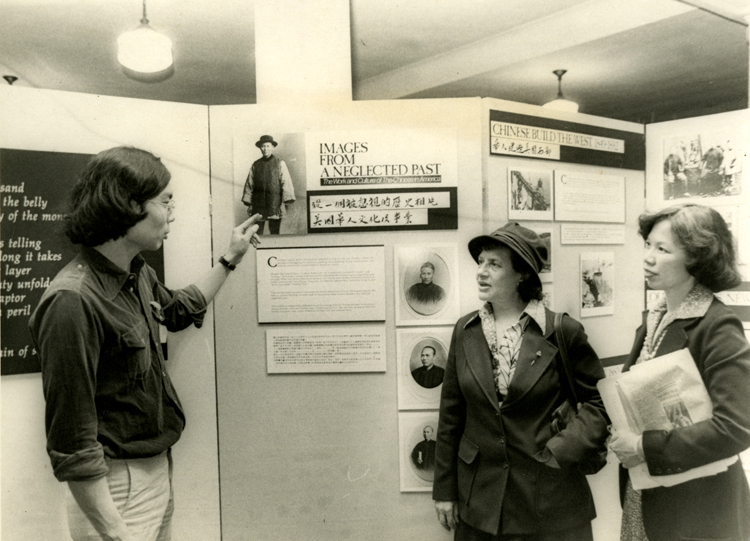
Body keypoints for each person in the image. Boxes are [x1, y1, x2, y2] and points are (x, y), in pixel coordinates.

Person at [28, 147, 262, 541]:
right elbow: (72, 440)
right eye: (166, 201)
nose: (171, 213)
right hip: (114, 488)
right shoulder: (72, 300)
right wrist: (114, 530)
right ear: (129, 204)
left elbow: (179, 309)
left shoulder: (136, 272)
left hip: (152, 469)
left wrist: (230, 258)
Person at [432, 222, 609, 541]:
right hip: (483, 506)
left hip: (551, 503)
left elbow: (601, 403)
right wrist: (444, 490)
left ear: (522, 274)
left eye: (494, 264)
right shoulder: (466, 332)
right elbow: (450, 418)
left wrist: (561, 450)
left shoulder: (561, 332)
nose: (481, 271)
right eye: (481, 262)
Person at [610, 204, 750, 541]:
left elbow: (737, 427)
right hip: (648, 496)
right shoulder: (656, 316)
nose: (648, 258)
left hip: (697, 509)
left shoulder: (717, 326)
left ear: (696, 259)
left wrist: (644, 445)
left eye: (662, 249)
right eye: (648, 245)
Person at [241, 134, 296, 235]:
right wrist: (249, 202)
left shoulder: (280, 163)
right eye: (263, 146)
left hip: (275, 203)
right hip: (258, 203)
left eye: (267, 146)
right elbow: (250, 183)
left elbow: (286, 182)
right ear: (260, 148)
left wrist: (285, 201)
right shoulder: (256, 165)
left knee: (274, 232)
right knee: (257, 232)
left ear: (272, 147)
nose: (265, 149)